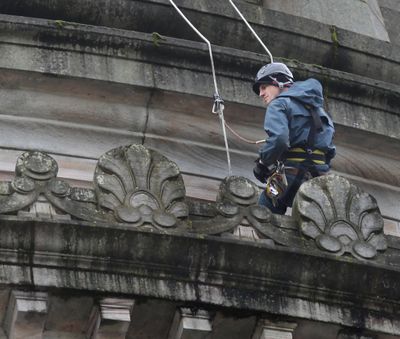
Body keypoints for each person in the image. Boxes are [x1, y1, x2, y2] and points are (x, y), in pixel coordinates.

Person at [252, 62, 336, 215]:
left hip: (291, 175)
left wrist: (263, 163)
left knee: (264, 210)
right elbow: (330, 151)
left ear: (278, 83)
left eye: (264, 87)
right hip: (320, 178)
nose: (261, 94)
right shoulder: (323, 113)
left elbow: (279, 140)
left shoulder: (278, 104)